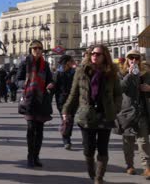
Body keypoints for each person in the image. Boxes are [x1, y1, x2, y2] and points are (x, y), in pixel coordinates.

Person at [62, 45, 121, 183]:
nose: (94, 55)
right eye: (92, 53)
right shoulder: (81, 71)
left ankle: (98, 178)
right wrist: (66, 110)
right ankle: (91, 172)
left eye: (98, 54)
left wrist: (116, 108)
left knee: (102, 148)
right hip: (86, 116)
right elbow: (74, 93)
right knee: (88, 149)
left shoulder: (111, 72)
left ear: (105, 56)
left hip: (105, 115)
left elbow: (118, 94)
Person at [17, 40, 54, 168]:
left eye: (39, 48)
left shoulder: (46, 65)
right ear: (30, 50)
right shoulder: (24, 63)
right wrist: (26, 84)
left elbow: (50, 80)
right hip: (29, 99)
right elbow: (18, 80)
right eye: (34, 48)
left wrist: (51, 84)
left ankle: (36, 156)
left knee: (39, 131)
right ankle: (30, 156)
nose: (37, 50)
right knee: (31, 129)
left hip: (41, 100)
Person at [114, 50, 150, 178]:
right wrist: (129, 75)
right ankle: (129, 165)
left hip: (142, 112)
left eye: (136, 58)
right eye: (131, 57)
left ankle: (147, 168)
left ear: (140, 60)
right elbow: (120, 89)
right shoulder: (120, 73)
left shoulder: (145, 74)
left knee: (144, 141)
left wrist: (149, 89)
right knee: (128, 142)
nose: (134, 60)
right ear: (127, 59)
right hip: (126, 112)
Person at [52, 54, 76, 150]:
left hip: (73, 100)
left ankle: (67, 137)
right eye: (71, 61)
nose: (73, 62)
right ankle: (66, 140)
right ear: (67, 62)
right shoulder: (58, 73)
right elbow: (54, 87)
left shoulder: (74, 72)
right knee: (66, 119)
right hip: (62, 100)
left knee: (71, 120)